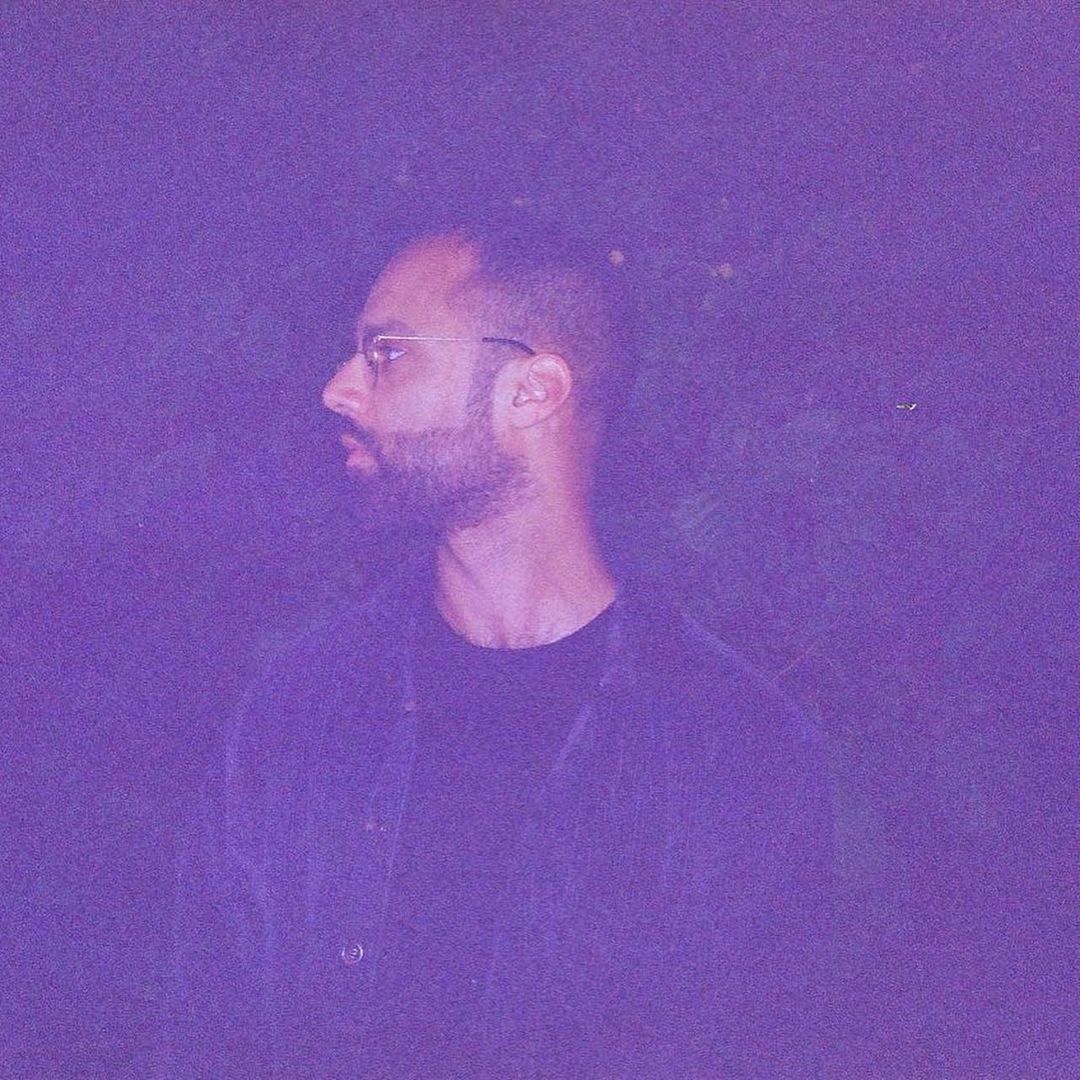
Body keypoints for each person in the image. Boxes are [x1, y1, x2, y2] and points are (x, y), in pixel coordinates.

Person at [164, 217, 836, 1078]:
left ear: (531, 392)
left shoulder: (732, 744)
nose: (337, 388)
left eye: (386, 353)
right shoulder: (302, 707)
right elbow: (207, 1033)